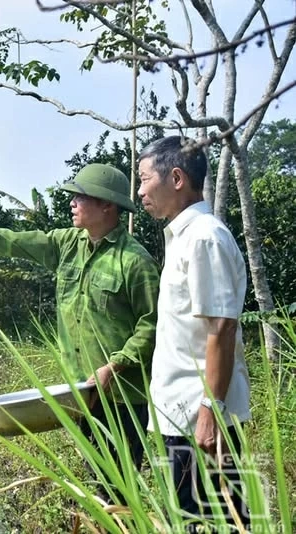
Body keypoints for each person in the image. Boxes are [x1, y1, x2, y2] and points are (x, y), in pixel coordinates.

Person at [0, 163, 160, 503]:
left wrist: (115, 365)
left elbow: (152, 325)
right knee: (97, 482)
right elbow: (13, 242)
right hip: (80, 392)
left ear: (107, 205)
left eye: (80, 196)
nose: (72, 203)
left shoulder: (135, 261)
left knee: (119, 489)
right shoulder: (66, 244)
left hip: (121, 397)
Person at [137, 136, 252, 527]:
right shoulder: (183, 237)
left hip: (199, 420)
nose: (139, 191)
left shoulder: (204, 237)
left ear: (176, 178)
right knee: (192, 519)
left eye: (144, 179)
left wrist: (211, 412)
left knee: (212, 520)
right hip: (182, 416)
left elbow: (221, 328)